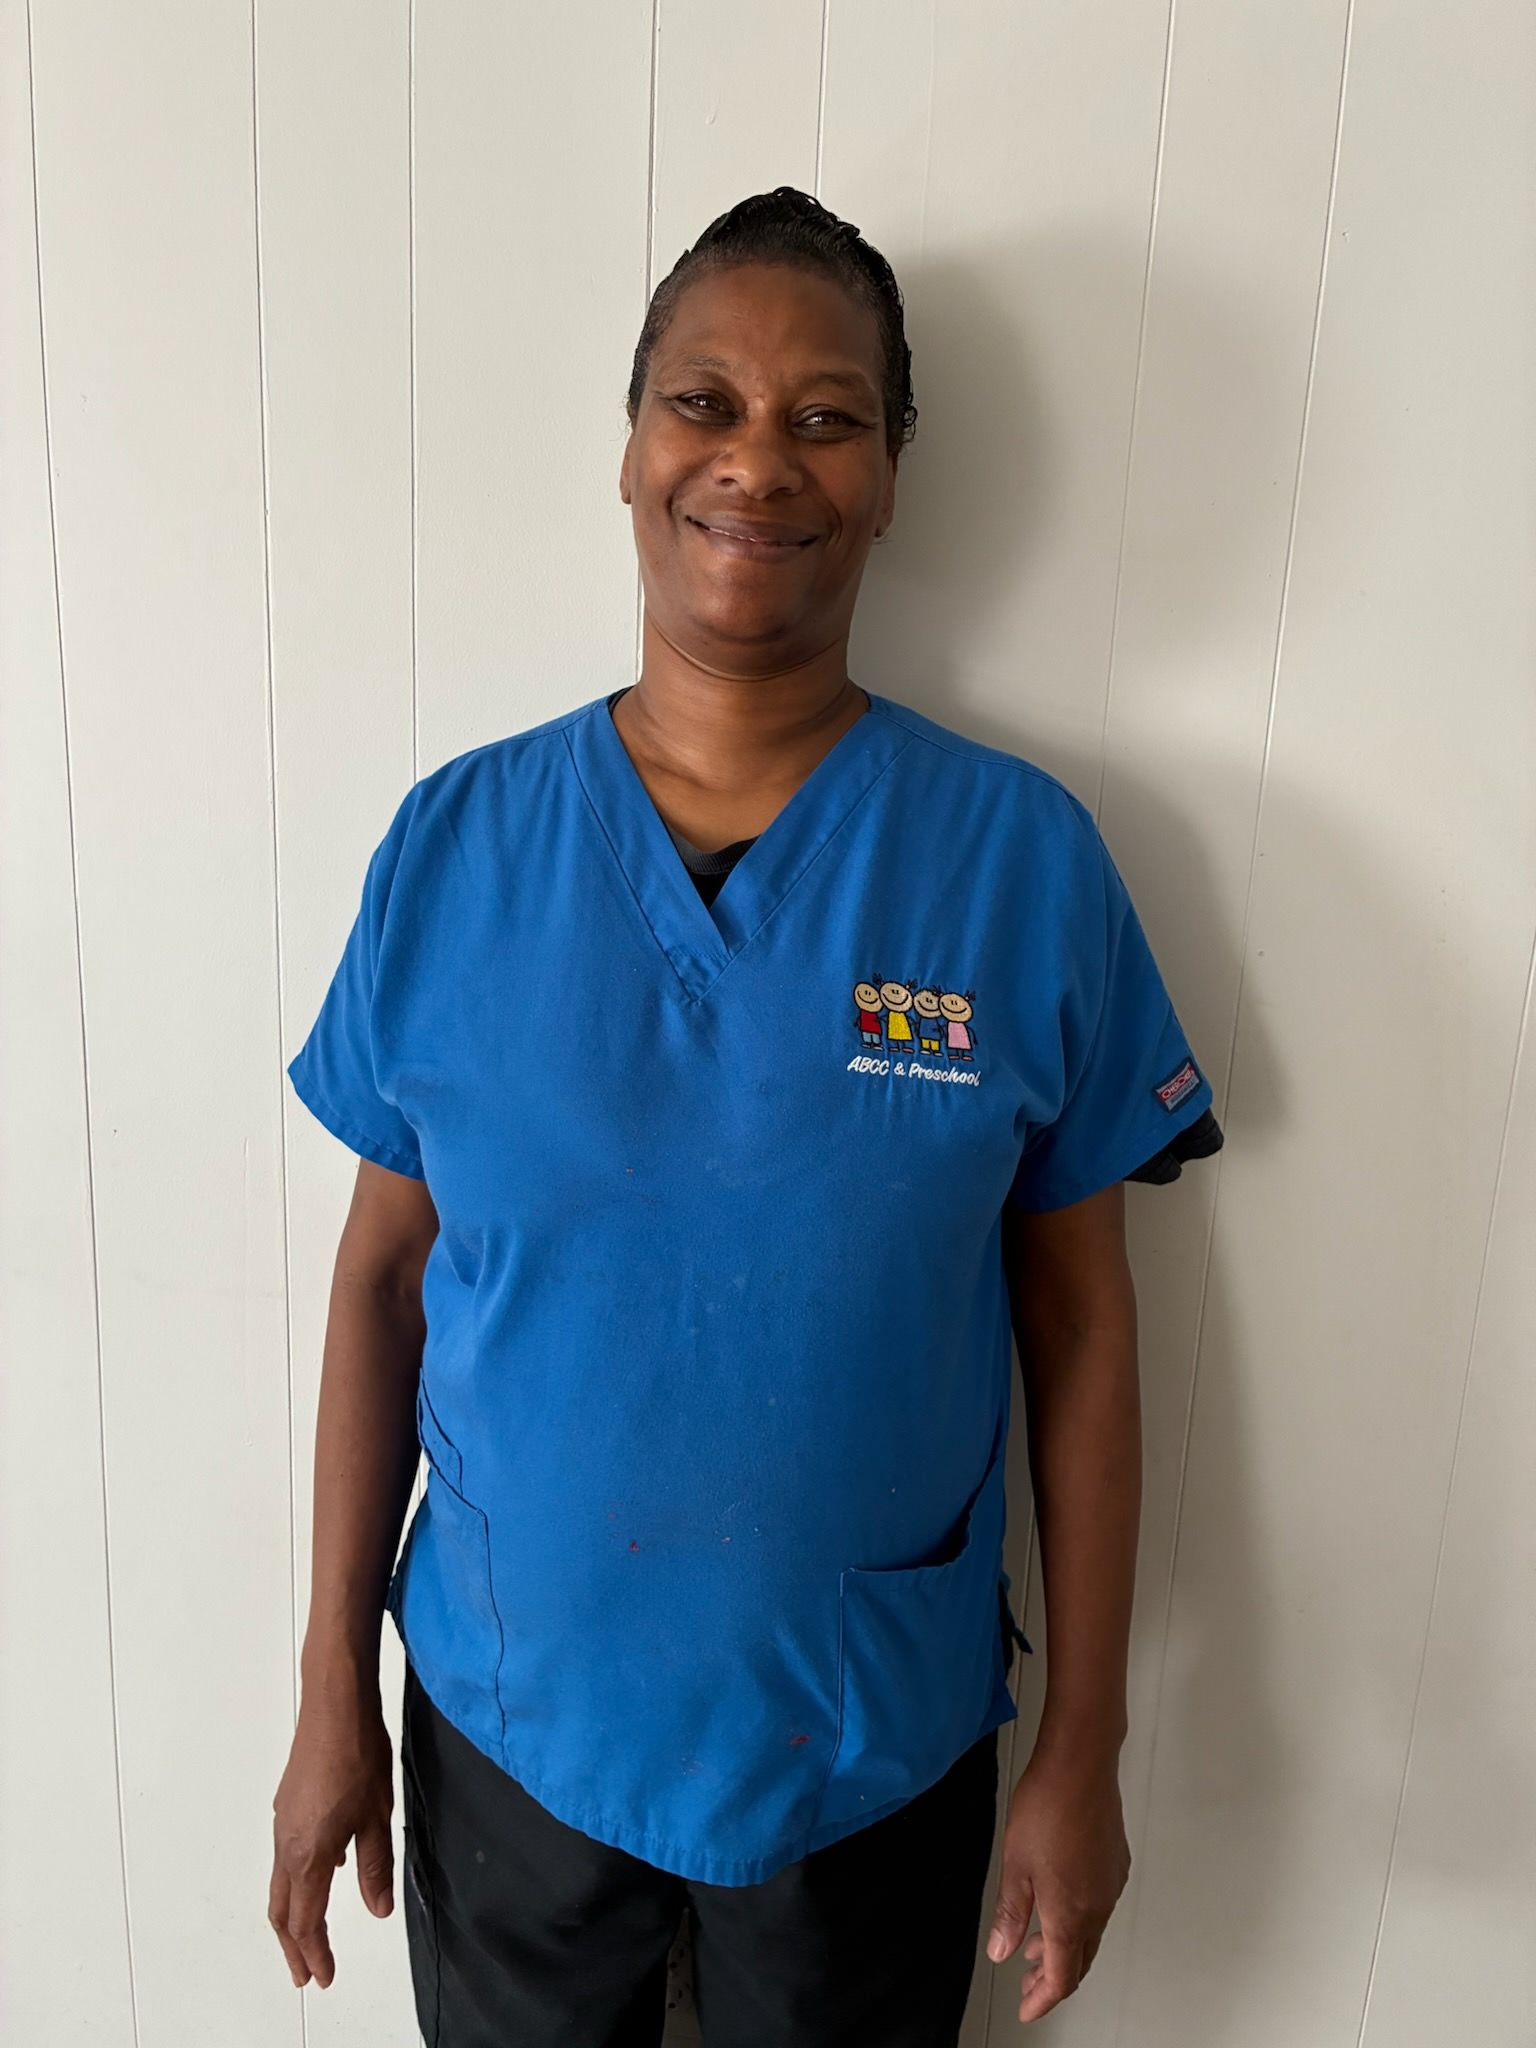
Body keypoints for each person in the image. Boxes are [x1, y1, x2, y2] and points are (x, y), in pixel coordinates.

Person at [268, 186, 1224, 2046]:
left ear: (889, 476)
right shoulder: (460, 848)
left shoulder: (1020, 863)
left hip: (869, 1748)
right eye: (702, 402)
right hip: (507, 1723)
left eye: (827, 414)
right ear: (629, 453)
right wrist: (328, 1697)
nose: (757, 461)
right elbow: (382, 1289)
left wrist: (1084, 1749)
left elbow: (1086, 1322)